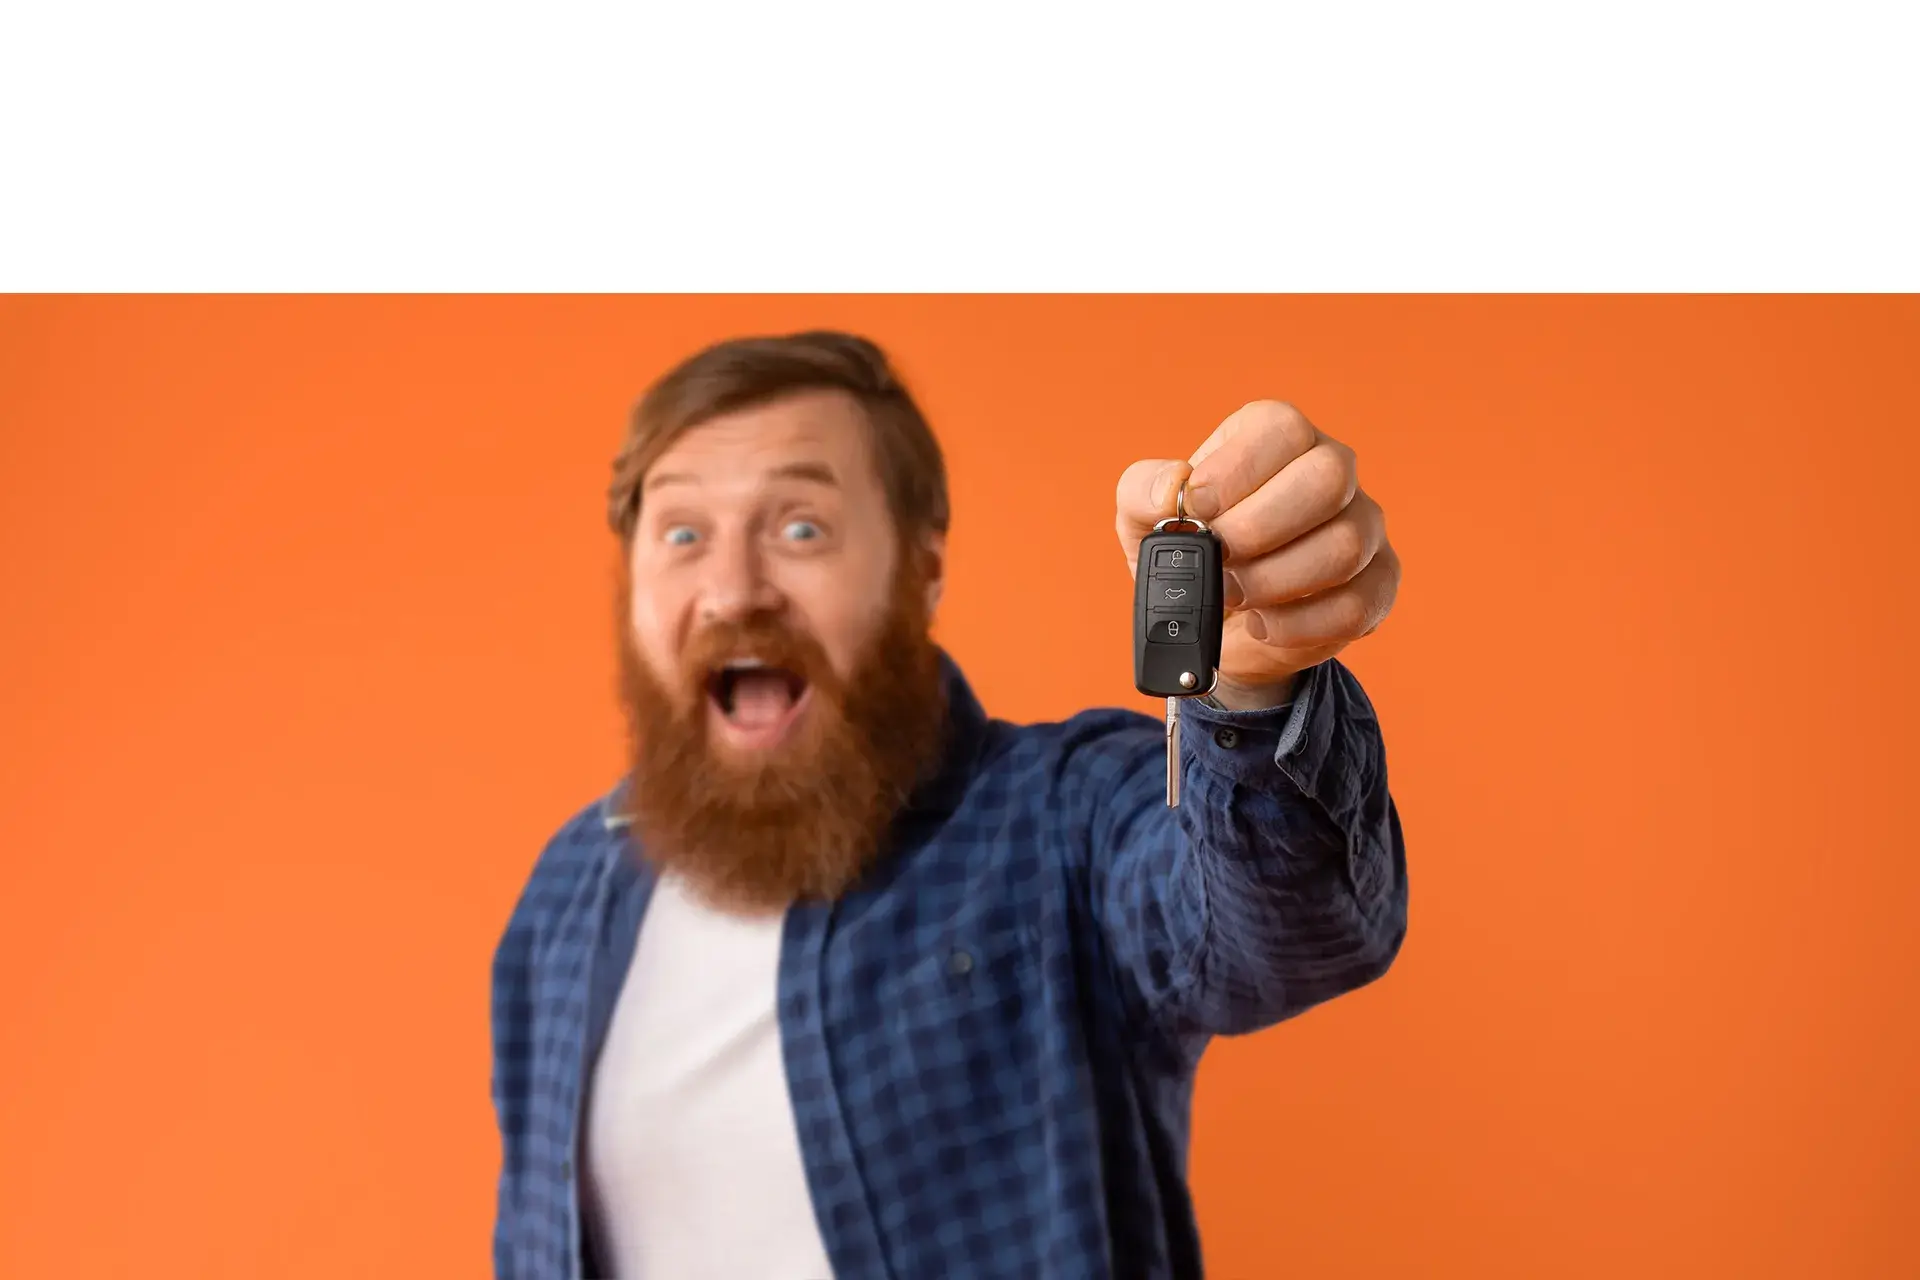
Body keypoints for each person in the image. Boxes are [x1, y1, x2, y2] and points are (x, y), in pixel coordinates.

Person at [489, 330, 1409, 1280]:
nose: (731, 591)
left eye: (801, 527)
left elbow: (1292, 934)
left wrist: (1248, 690)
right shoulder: (568, 892)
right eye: (683, 534)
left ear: (921, 570)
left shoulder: (1063, 819)